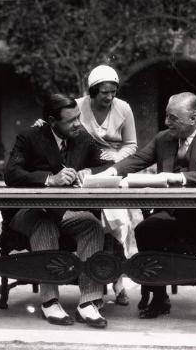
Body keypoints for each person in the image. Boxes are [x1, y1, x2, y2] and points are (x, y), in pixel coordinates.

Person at [98, 92, 196, 324]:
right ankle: (159, 297)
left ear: (194, 117)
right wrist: (111, 171)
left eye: (173, 118)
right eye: (167, 116)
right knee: (145, 230)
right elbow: (138, 159)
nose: (167, 122)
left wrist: (180, 178)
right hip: (171, 211)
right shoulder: (164, 138)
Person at [33, 65, 142, 305]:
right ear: (92, 91)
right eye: (104, 92)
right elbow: (58, 121)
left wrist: (115, 161)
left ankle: (116, 278)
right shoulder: (77, 106)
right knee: (95, 216)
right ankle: (98, 281)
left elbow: (132, 144)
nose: (109, 97)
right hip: (83, 167)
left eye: (113, 91)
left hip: (113, 167)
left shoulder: (124, 108)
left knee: (115, 214)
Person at [4, 93, 110, 328]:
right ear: (52, 122)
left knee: (91, 225)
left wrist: (90, 172)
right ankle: (49, 300)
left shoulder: (82, 137)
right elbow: (11, 173)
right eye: (70, 120)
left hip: (64, 211)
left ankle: (88, 302)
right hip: (29, 211)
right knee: (44, 223)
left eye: (78, 117)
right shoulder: (29, 137)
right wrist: (49, 179)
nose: (77, 124)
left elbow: (106, 164)